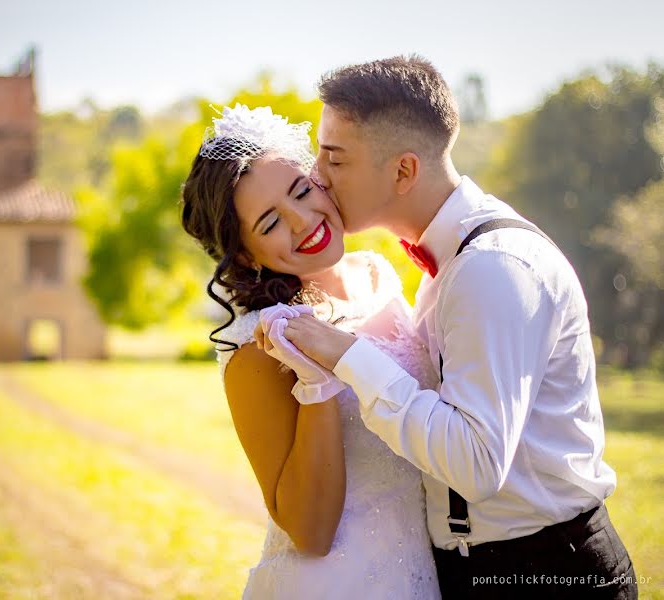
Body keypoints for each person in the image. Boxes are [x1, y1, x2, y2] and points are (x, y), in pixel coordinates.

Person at [258, 55, 638, 598]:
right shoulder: (451, 261)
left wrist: (349, 357)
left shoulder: (492, 267)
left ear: (403, 171)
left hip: (545, 571)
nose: (316, 175)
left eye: (335, 158)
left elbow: (477, 464)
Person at [181, 104, 441, 599]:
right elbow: (311, 532)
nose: (303, 221)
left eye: (301, 190)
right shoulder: (259, 348)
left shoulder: (377, 274)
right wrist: (316, 383)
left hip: (426, 571)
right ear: (243, 254)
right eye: (270, 222)